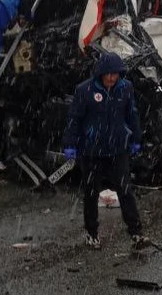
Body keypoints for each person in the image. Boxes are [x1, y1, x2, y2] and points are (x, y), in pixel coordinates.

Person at [62, 52, 148, 249]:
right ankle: (92, 233)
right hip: (92, 151)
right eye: (108, 74)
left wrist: (136, 139)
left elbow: (132, 114)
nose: (111, 78)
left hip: (118, 149)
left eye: (115, 74)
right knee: (91, 193)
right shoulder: (85, 90)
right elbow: (74, 118)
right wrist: (70, 144)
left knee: (126, 191)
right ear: (100, 73)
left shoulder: (126, 89)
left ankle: (136, 233)